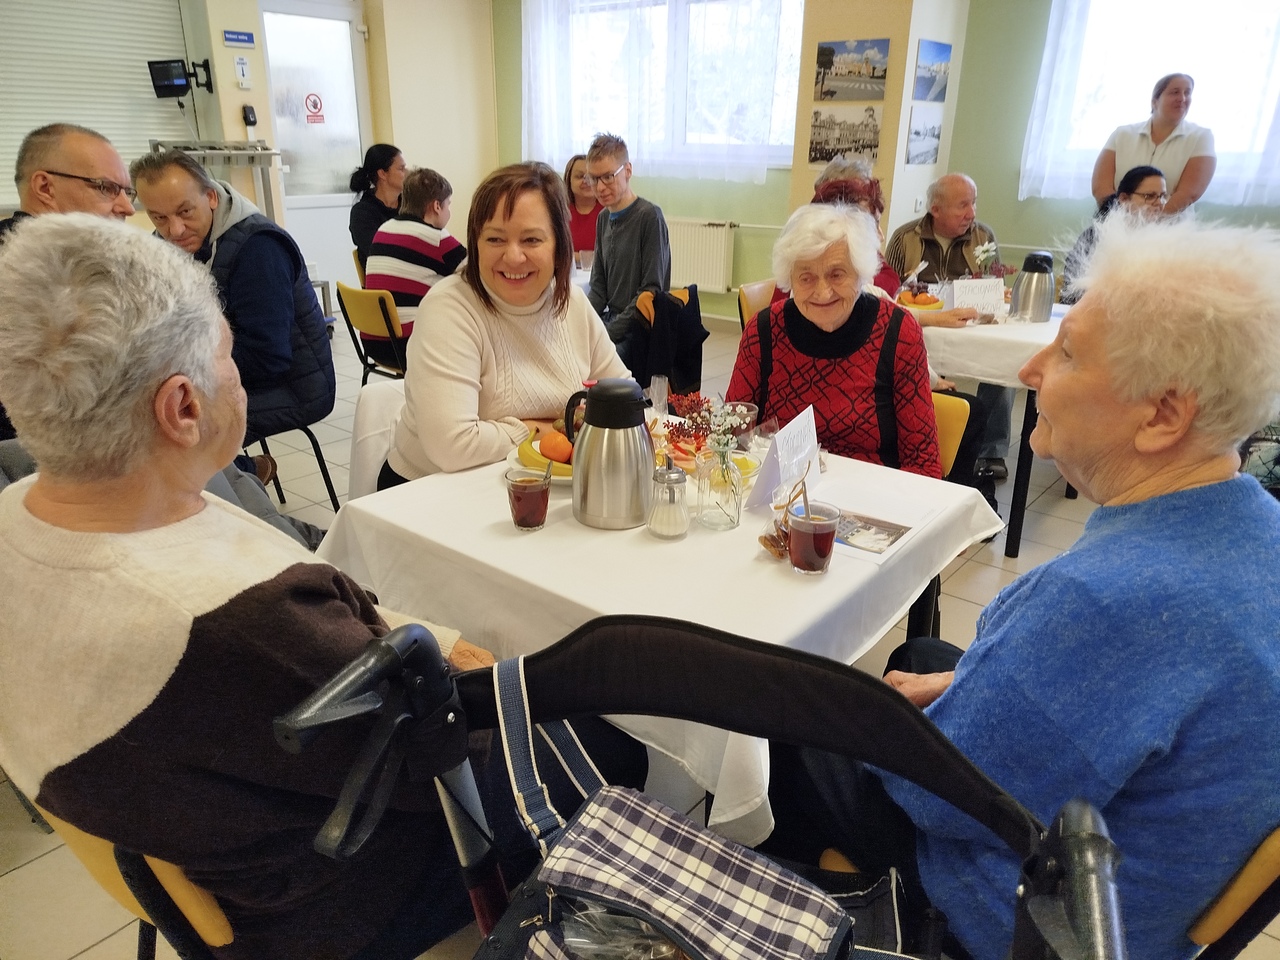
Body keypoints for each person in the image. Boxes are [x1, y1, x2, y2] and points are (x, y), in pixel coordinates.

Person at [767, 214, 1280, 960]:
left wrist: (864, 720)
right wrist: (964, 685)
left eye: (1067, 352)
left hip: (1023, 916)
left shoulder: (1105, 602)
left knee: (779, 716)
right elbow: (1128, 700)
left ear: (1163, 415)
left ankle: (808, 914)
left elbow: (936, 798)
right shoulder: (1255, 525)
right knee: (925, 655)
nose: (1034, 369)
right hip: (1142, 859)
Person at [0, 213, 500, 960]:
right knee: (610, 741)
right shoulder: (237, 620)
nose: (240, 376)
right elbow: (448, 760)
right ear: (183, 407)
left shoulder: (17, 512)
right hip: (317, 903)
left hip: (168, 821)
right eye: (229, 356)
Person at [382, 162, 630, 484]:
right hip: (431, 489)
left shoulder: (571, 302)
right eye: (495, 239)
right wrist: (538, 429)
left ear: (558, 246)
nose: (513, 257)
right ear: (475, 243)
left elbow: (624, 396)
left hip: (542, 481)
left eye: (531, 240)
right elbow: (451, 446)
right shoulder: (449, 309)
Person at [131, 150, 336, 450]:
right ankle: (245, 469)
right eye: (159, 217)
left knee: (170, 429)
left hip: (294, 386)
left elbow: (268, 358)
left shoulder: (259, 248)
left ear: (211, 197)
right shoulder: (168, 245)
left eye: (185, 212)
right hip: (230, 372)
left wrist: (182, 370)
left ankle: (243, 475)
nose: (174, 230)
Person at [726, 203, 941, 478]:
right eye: (806, 277)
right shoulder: (764, 330)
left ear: (861, 273)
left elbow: (923, 463)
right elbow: (731, 438)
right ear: (789, 278)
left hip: (872, 490)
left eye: (837, 274)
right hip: (784, 490)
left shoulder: (898, 332)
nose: (823, 292)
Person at [0, 123, 136, 443]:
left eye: (127, 192)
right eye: (106, 188)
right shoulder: (51, 270)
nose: (127, 208)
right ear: (45, 187)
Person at [886, 173, 1011, 482]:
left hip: (972, 327)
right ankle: (916, 436)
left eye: (974, 203)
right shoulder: (905, 238)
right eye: (962, 206)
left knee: (1003, 363)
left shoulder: (983, 236)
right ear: (935, 209)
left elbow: (994, 286)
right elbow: (889, 294)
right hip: (923, 325)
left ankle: (992, 449)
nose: (971, 213)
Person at [363, 167, 467, 367]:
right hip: (409, 345)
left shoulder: (383, 230)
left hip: (373, 343)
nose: (449, 211)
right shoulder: (437, 238)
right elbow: (480, 274)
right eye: (448, 204)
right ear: (437, 206)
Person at [585, 133, 672, 369]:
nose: (600, 187)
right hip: (612, 321)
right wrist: (582, 323)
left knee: (593, 365)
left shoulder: (649, 217)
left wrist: (606, 333)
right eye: (593, 179)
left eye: (608, 177)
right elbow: (598, 289)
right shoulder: (603, 218)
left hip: (639, 329)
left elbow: (651, 292)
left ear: (628, 170)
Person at [1092, 73, 1214, 217]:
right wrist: (1121, 220)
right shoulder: (1122, 134)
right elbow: (1100, 186)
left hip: (1170, 226)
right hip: (1117, 222)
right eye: (1175, 92)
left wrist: (1151, 222)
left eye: (1187, 93)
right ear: (1154, 101)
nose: (1182, 98)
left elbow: (1189, 193)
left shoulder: (1201, 137)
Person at [1062, 165, 1166, 303]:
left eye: (1163, 196)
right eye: (1149, 196)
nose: (1159, 203)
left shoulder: (1163, 239)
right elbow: (1077, 290)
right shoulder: (1097, 235)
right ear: (1124, 199)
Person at [348, 143, 406, 270]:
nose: (407, 173)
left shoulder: (410, 206)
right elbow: (378, 252)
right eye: (401, 169)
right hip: (384, 276)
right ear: (382, 174)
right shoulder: (362, 213)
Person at [563, 153, 603, 267]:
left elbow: (613, 256)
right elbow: (555, 253)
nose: (586, 181)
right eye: (580, 176)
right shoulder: (559, 212)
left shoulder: (610, 212)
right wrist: (590, 257)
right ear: (569, 180)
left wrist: (575, 257)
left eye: (592, 177)